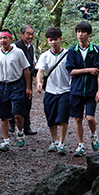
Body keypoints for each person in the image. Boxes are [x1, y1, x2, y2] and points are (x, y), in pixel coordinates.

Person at [65, 21, 99, 157]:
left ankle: (93, 135)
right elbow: (70, 71)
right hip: (76, 90)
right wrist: (87, 69)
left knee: (89, 118)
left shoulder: (96, 50)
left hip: (91, 90)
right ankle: (80, 145)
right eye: (78, 31)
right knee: (77, 118)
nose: (80, 34)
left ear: (89, 34)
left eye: (83, 32)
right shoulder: (72, 51)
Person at [0, 29, 32, 151]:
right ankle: (5, 140)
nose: (3, 40)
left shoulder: (18, 52)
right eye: (1, 38)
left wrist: (28, 88)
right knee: (4, 115)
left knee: (18, 113)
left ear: (10, 39)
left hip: (17, 84)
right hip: (3, 86)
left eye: (5, 38)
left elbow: (26, 70)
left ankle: (20, 132)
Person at [36, 27, 71, 155]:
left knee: (62, 117)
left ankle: (62, 142)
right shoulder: (44, 56)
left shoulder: (68, 54)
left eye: (55, 40)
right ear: (47, 41)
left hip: (65, 90)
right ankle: (54, 141)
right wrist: (39, 82)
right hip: (50, 91)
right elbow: (40, 71)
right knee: (51, 117)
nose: (53, 43)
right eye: (51, 40)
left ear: (60, 40)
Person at [9, 25, 38, 135]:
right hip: (16, 78)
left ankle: (26, 126)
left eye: (32, 34)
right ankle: (11, 122)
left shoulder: (31, 47)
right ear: (22, 34)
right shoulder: (14, 47)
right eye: (28, 34)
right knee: (15, 100)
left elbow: (33, 61)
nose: (30, 36)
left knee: (27, 102)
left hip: (28, 78)